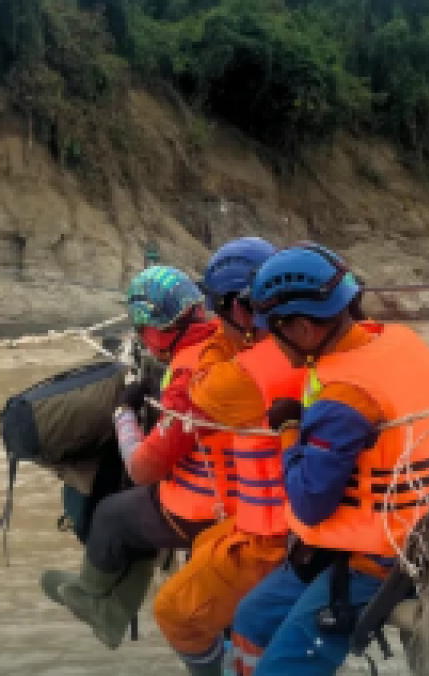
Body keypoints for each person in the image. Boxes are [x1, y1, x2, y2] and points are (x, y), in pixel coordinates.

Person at [230, 244, 429, 676]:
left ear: (305, 329)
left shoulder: (345, 395)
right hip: (403, 530)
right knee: (251, 619)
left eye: (275, 331)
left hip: (378, 561)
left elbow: (310, 500)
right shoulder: (402, 342)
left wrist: (289, 432)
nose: (273, 342)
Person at [41, 265, 236, 650]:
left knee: (114, 515)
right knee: (140, 514)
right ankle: (112, 609)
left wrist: (123, 413)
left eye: (141, 329)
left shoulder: (187, 378)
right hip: (246, 491)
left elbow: (143, 468)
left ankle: (91, 595)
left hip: (213, 507)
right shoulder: (224, 340)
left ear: (157, 327)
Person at [151, 237, 308, 676]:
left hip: (273, 542)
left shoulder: (246, 375)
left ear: (240, 310)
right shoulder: (312, 346)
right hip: (298, 525)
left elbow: (200, 390)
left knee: (174, 612)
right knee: (205, 547)